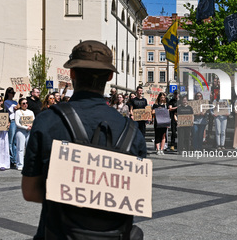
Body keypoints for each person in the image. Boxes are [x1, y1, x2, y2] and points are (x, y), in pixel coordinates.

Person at [21, 40, 146, 239]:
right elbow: (134, 197)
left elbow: (29, 192)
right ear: (110, 76)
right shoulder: (131, 131)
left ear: (72, 73)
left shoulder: (47, 121)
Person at [15, 98, 35, 170]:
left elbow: (33, 121)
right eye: (23, 103)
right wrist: (26, 127)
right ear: (20, 105)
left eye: (26, 103)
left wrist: (31, 126)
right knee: (20, 148)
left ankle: (28, 164)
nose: (25, 104)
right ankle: (20, 164)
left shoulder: (31, 112)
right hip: (21, 131)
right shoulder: (18, 112)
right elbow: (17, 123)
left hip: (29, 131)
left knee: (29, 148)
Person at [4, 87, 18, 168]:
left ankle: (14, 159)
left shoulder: (15, 101)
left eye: (13, 92)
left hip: (16, 120)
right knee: (10, 140)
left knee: (15, 142)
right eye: (11, 92)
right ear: (8, 93)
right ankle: (10, 158)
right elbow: (13, 109)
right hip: (12, 120)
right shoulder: (6, 102)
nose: (12, 94)